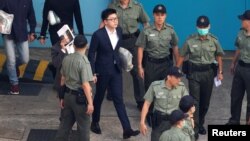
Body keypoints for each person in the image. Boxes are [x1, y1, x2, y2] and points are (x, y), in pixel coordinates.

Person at [88, 8, 140, 139]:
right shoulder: (97, 35)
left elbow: (117, 50)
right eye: (112, 19)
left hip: (116, 70)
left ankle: (127, 129)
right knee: (99, 97)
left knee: (119, 99)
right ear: (105, 22)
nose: (115, 21)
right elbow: (91, 53)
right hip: (102, 71)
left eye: (116, 19)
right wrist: (92, 72)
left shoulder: (119, 31)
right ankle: (95, 122)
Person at [177, 15, 224, 138]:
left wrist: (220, 72)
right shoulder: (190, 40)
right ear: (197, 27)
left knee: (205, 102)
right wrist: (176, 71)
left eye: (204, 26)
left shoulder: (214, 40)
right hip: (194, 74)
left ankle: (201, 122)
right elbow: (182, 56)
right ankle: (195, 128)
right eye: (200, 26)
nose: (202, 28)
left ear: (209, 26)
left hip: (208, 74)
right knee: (195, 102)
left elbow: (219, 55)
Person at [136, 4, 179, 127]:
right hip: (151, 64)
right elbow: (140, 48)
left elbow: (175, 46)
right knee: (151, 89)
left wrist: (177, 66)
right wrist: (139, 66)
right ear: (153, 15)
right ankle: (150, 114)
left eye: (162, 15)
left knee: (167, 89)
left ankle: (165, 114)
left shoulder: (170, 30)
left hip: (166, 64)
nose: (160, 17)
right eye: (157, 15)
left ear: (165, 16)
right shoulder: (146, 31)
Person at [101, 0, 149, 106]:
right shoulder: (112, 6)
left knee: (136, 71)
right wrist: (99, 37)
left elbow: (145, 23)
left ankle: (140, 100)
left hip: (132, 41)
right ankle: (112, 92)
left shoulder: (137, 7)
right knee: (113, 67)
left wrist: (147, 38)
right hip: (115, 39)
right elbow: (104, 23)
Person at [54, 35, 94, 141]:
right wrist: (90, 103)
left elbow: (62, 79)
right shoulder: (84, 61)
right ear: (87, 46)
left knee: (65, 125)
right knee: (83, 128)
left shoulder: (67, 58)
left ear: (74, 46)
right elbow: (85, 85)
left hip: (67, 96)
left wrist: (62, 97)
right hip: (80, 100)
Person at [140, 66, 188, 141]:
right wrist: (142, 122)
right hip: (159, 122)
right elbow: (146, 104)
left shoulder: (181, 87)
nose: (179, 80)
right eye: (177, 78)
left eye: (180, 78)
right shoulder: (155, 86)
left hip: (173, 122)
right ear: (169, 77)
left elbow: (187, 104)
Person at [0, 0, 37, 95]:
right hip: (8, 33)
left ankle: (13, 67)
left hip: (22, 32)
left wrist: (32, 31)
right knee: (11, 60)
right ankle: (14, 84)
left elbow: (31, 15)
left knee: (25, 59)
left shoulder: (27, 1)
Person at [226, 10, 250, 125]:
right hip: (240, 67)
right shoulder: (241, 33)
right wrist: (233, 62)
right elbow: (239, 49)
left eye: (243, 19)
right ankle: (234, 121)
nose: (241, 21)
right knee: (235, 95)